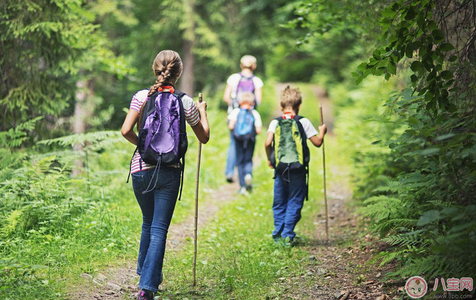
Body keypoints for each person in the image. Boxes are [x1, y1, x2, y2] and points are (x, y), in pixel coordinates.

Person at [121, 50, 210, 300]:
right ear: (178, 73)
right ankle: (147, 287)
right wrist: (202, 111)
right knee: (159, 228)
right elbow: (204, 136)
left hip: (141, 170)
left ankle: (145, 273)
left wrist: (143, 147)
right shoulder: (185, 102)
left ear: (154, 69)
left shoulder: (141, 97)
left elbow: (125, 130)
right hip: (169, 172)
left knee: (148, 222)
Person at [264, 86, 327, 244]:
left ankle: (278, 236)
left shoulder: (275, 122)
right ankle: (288, 235)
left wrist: (270, 159)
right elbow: (317, 143)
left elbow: (267, 143)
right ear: (299, 106)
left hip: (280, 168)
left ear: (281, 107)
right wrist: (322, 131)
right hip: (298, 169)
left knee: (279, 201)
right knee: (294, 200)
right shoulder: (303, 121)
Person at [223, 55, 264, 183]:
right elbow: (259, 100)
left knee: (233, 143)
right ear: (254, 66)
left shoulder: (233, 78)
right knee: (249, 144)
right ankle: (247, 171)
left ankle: (230, 172)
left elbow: (226, 97)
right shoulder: (257, 81)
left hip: (234, 115)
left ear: (241, 65)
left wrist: (235, 107)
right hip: (250, 118)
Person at [228, 92, 262, 194]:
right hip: (250, 140)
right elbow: (258, 130)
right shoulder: (255, 113)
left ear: (240, 101)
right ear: (252, 103)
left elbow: (230, 126)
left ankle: (242, 185)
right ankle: (248, 175)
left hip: (238, 140)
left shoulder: (236, 111)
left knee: (240, 161)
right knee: (248, 160)